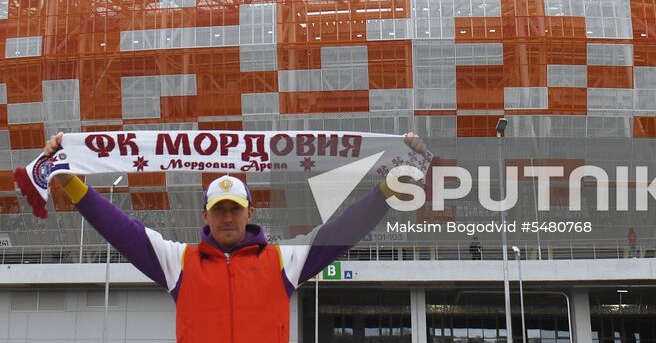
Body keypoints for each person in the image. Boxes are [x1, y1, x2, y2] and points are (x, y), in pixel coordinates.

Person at [44, 130, 427, 341]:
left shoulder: (283, 261)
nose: (227, 218)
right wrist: (70, 181)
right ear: (206, 216)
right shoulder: (180, 261)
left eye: (234, 209)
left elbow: (344, 230)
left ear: (250, 213)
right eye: (219, 210)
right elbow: (121, 231)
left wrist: (391, 189)